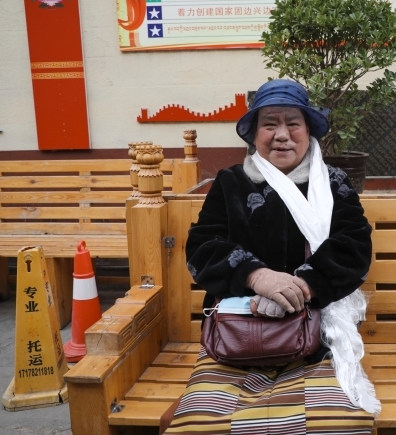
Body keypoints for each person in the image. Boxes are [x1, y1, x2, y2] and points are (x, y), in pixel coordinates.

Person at [162, 79, 379, 435]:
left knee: (338, 422)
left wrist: (301, 287)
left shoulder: (334, 183)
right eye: (269, 124)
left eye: (293, 123)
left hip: (319, 340)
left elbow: (353, 246)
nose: (282, 135)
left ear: (308, 131)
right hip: (236, 340)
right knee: (201, 423)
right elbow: (202, 247)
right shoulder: (231, 182)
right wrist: (257, 277)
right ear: (254, 134)